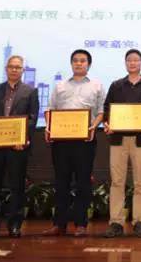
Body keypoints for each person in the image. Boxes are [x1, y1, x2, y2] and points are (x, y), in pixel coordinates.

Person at [0, 55, 39, 238]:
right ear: (6, 68)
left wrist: (23, 139)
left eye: (18, 67)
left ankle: (15, 225)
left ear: (23, 70)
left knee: (17, 187)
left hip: (17, 148)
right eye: (11, 67)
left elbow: (33, 118)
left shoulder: (30, 91)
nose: (14, 70)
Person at [43, 49, 103, 237]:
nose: (79, 63)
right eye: (75, 60)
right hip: (61, 141)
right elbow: (50, 109)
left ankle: (80, 224)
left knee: (83, 182)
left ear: (88, 64)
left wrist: (93, 127)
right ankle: (59, 224)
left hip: (85, 141)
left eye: (83, 61)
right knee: (61, 182)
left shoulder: (97, 86)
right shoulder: (60, 86)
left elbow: (102, 112)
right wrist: (49, 127)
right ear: (71, 64)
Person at [103, 49, 141, 238]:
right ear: (125, 63)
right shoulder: (116, 85)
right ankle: (116, 222)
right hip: (118, 139)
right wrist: (108, 123)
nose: (132, 63)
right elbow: (107, 108)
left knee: (140, 182)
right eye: (129, 60)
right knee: (117, 181)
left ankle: (140, 222)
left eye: (136, 60)